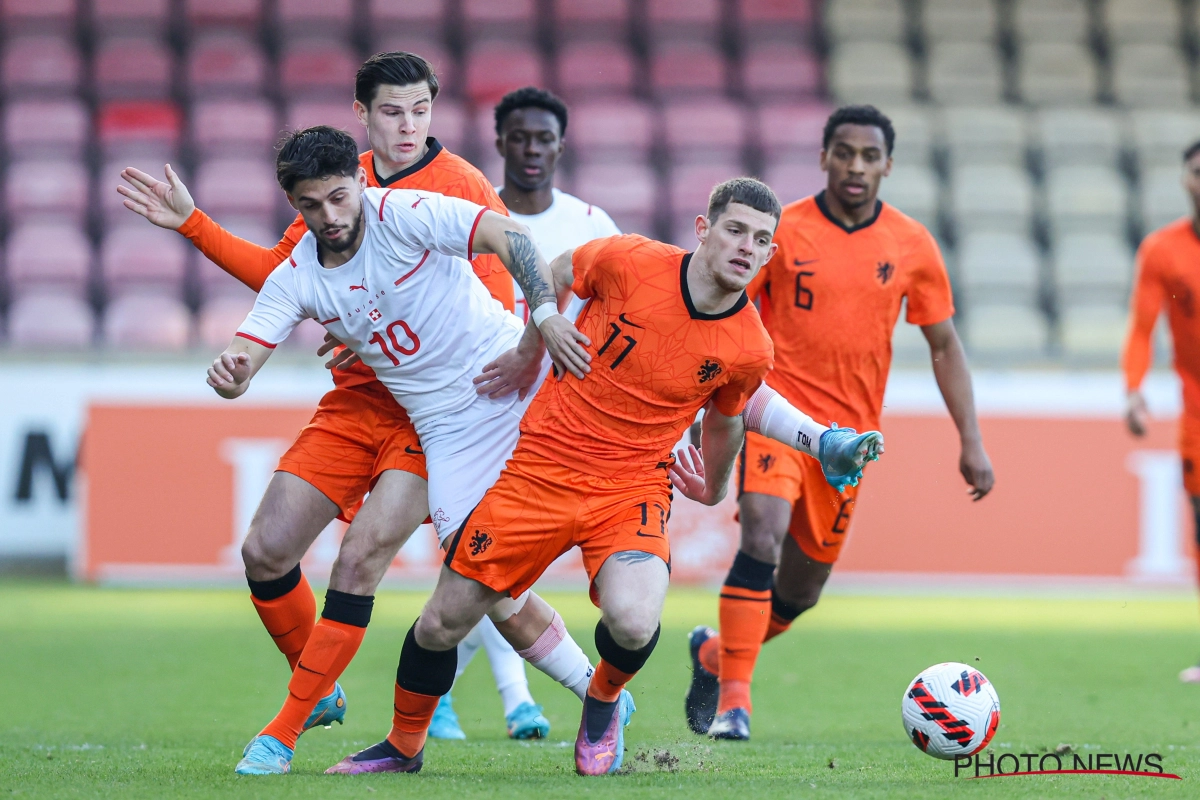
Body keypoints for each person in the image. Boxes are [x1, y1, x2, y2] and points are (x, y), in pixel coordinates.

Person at [331, 178, 884, 777]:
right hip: (541, 470)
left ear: (771, 254)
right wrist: (531, 345)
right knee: (441, 623)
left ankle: (602, 700)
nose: (746, 247)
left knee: (635, 618)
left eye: (761, 240)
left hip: (631, 490)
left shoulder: (750, 345)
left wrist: (716, 487)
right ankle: (402, 746)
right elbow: (557, 272)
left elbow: (727, 420)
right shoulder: (629, 260)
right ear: (703, 230)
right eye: (734, 230)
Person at [117, 52, 558, 743]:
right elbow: (282, 277)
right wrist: (195, 225)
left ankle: (580, 691)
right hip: (355, 406)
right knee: (265, 551)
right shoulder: (329, 182)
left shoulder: (456, 184)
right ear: (362, 117)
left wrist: (385, 326)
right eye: (390, 111)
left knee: (436, 572)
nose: (407, 126)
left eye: (420, 110)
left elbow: (493, 296)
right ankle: (319, 685)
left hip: (436, 408)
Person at [205, 125, 599, 774]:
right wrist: (233, 373)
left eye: (339, 197)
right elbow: (248, 351)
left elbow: (511, 236)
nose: (329, 217)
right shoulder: (298, 273)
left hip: (512, 379)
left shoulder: (407, 213)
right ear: (294, 206)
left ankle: (283, 732)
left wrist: (544, 313)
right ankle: (597, 693)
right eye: (311, 205)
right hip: (444, 430)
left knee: (376, 560)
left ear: (360, 182)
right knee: (479, 587)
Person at [685, 105, 995, 742]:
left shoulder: (911, 244)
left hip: (850, 443)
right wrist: (702, 395)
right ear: (824, 156)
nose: (856, 166)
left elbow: (943, 345)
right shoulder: (784, 232)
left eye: (869, 156)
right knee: (760, 540)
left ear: (887, 164)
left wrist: (971, 439)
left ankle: (716, 655)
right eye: (844, 153)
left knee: (798, 594)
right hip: (776, 414)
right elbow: (722, 301)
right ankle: (734, 704)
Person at [430, 86, 624, 738]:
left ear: (561, 145)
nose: (532, 148)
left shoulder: (592, 224)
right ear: (501, 143)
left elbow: (628, 312)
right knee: (484, 557)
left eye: (544, 137)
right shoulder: (465, 220)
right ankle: (510, 701)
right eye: (520, 137)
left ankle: (459, 691)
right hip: (478, 405)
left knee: (490, 562)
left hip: (563, 416)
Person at [1123, 139, 1200, 684]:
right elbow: (1142, 329)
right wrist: (1133, 387)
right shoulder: (1163, 250)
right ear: (1184, 178)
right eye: (1198, 171)